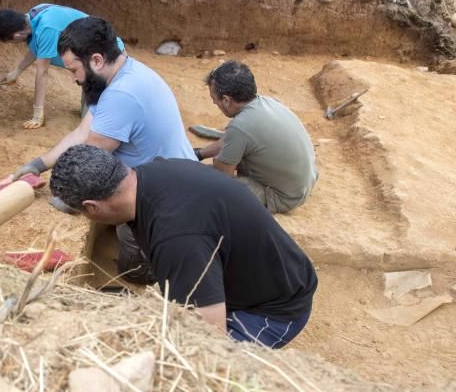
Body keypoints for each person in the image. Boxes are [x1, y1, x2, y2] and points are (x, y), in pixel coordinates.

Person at [50, 144, 317, 348]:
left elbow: (210, 337)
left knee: (211, 372)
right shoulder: (156, 172)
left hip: (272, 310)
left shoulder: (178, 238)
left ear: (91, 208)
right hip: (248, 276)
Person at [0, 16, 195, 187]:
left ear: (97, 61)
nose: (73, 78)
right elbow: (82, 133)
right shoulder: (121, 73)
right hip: (177, 178)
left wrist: (66, 195)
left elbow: (91, 159)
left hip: (173, 192)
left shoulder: (121, 94)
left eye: (74, 70)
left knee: (123, 229)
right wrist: (38, 165)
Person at [194, 60, 318, 214]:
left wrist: (206, 165)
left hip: (281, 197)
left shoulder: (240, 127)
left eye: (214, 98)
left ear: (226, 100)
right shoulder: (268, 102)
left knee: (203, 185)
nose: (213, 102)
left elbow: (222, 178)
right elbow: (231, 139)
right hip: (302, 185)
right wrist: (200, 153)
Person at [0, 4, 125, 129]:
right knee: (87, 109)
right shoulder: (36, 13)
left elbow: (42, 72)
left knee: (92, 124)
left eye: (8, 41)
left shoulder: (46, 28)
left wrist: (38, 114)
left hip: (107, 59)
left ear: (16, 35)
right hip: (92, 61)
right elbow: (37, 48)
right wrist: (17, 72)